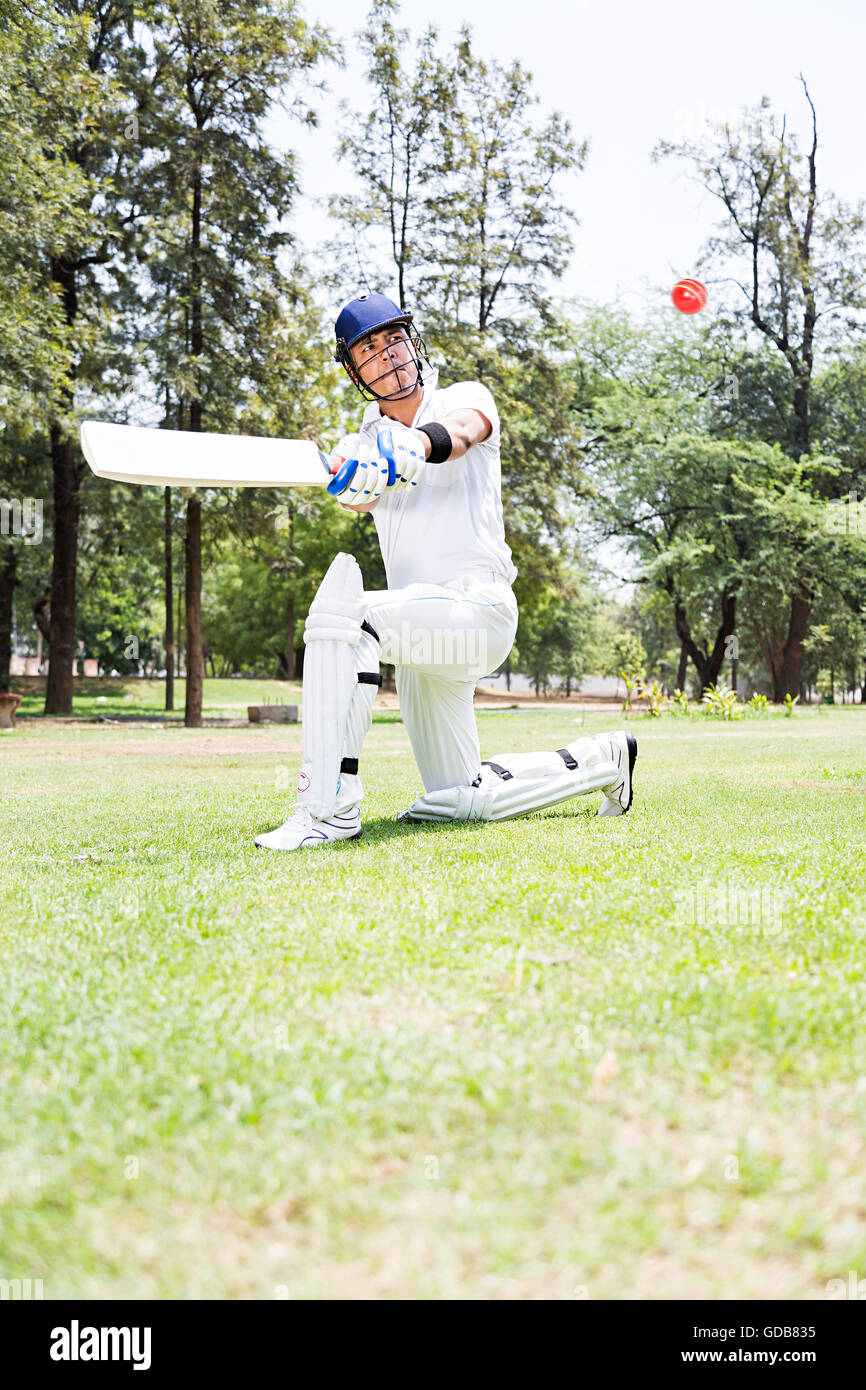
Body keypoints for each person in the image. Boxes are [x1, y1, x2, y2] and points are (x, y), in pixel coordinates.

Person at [254, 292, 636, 850]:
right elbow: (354, 492)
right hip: (423, 641)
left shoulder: (464, 396)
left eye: (394, 339)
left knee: (347, 620)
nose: (388, 354)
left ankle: (326, 809)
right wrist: (355, 479)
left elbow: (459, 434)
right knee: (460, 798)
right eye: (370, 348)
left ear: (413, 342)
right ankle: (604, 760)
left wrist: (414, 443)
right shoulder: (360, 440)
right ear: (354, 369)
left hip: (477, 611)